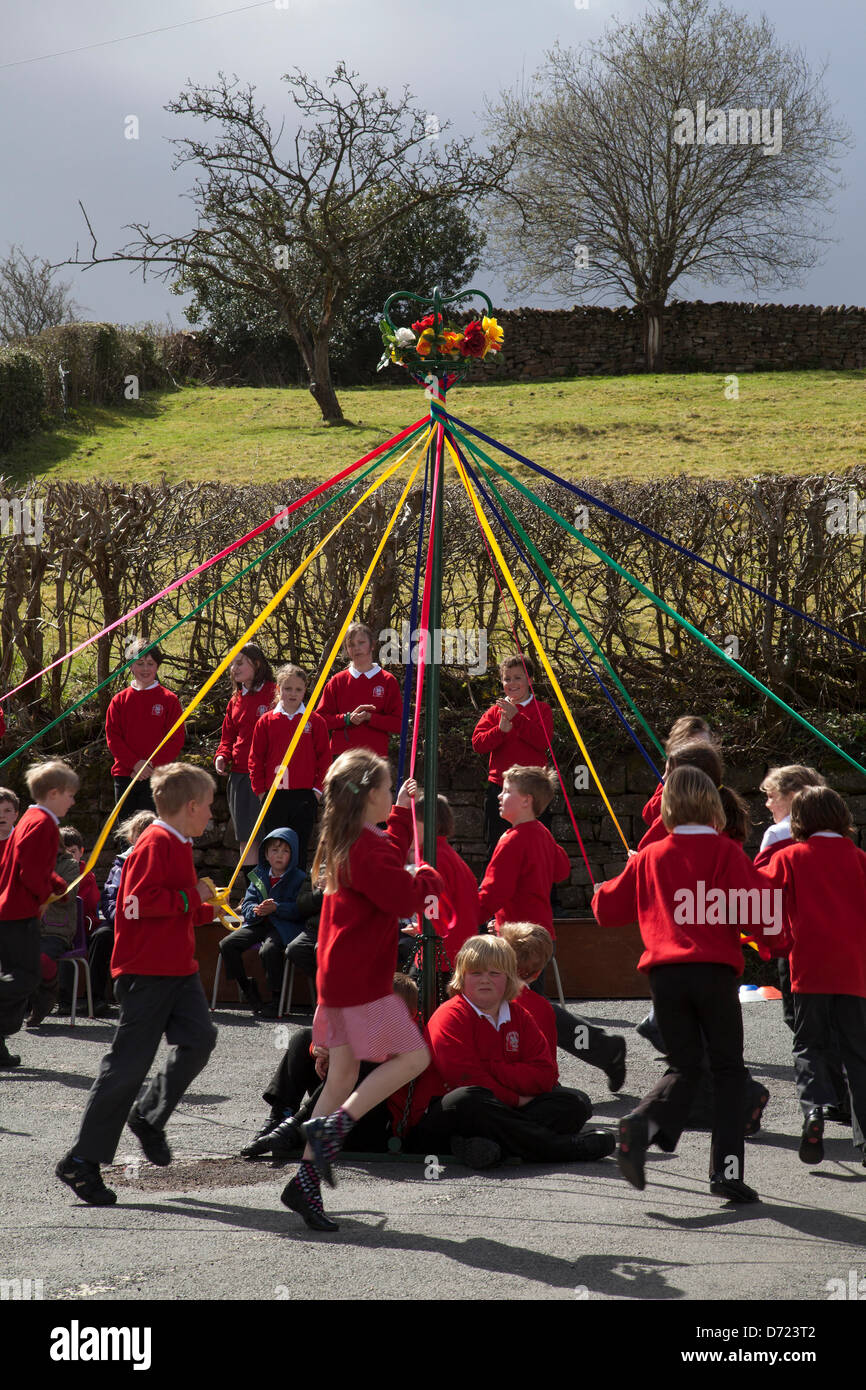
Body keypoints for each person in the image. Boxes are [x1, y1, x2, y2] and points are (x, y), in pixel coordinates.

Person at [592, 766, 785, 1204]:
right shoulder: (726, 852)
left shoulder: (651, 855)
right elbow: (759, 911)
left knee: (684, 1066)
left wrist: (605, 885)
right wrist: (776, 943)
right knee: (729, 1070)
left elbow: (607, 910)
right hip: (714, 972)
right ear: (713, 804)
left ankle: (642, 1122)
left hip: (665, 975)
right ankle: (726, 1172)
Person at [280, 748, 442, 1232]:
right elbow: (400, 894)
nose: (392, 797)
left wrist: (403, 821)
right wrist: (426, 875)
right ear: (369, 794)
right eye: (387, 790)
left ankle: (306, 1181)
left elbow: (386, 854)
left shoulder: (353, 838)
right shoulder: (365, 849)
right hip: (359, 978)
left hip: (341, 975)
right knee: (414, 1058)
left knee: (342, 1076)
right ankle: (333, 1131)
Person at [55, 763, 218, 1206]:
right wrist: (193, 898)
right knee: (127, 1066)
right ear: (189, 806)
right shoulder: (157, 841)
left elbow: (169, 905)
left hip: (176, 968)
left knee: (200, 1039)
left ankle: (147, 1116)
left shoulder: (177, 842)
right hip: (146, 971)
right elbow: (134, 904)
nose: (211, 813)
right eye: (206, 805)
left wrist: (207, 909)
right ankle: (83, 1160)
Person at [417, 935, 613, 1168]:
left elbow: (545, 1075)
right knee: (469, 1098)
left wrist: (490, 1066)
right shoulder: (450, 1016)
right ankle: (561, 1148)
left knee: (574, 1103)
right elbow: (464, 1079)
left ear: (509, 978)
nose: (485, 980)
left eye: (494, 973)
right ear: (462, 977)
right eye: (476, 973)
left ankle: (482, 1147)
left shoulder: (519, 1015)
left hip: (499, 1110)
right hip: (455, 1112)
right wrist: (516, 1099)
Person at [759, 786, 866, 1167]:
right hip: (855, 970)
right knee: (858, 1053)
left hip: (809, 967)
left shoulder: (790, 857)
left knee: (809, 1045)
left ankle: (814, 1111)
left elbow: (757, 891)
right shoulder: (859, 859)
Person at [242, 974, 423, 1161]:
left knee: (359, 1058)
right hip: (336, 1107)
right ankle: (280, 1116)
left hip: (369, 1123)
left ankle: (295, 1125)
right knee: (303, 1037)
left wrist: (337, 1053)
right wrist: (319, 1050)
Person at [0, 761, 79, 1068]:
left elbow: (32, 865)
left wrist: (59, 885)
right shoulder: (43, 823)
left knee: (21, 974)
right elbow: (29, 871)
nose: (72, 801)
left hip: (14, 909)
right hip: (18, 912)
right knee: (24, 976)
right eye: (70, 794)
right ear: (54, 792)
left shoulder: (32, 818)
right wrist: (47, 893)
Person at [500, 921, 627, 1093]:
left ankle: (606, 1048)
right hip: (519, 936)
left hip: (522, 935)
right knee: (536, 1011)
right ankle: (606, 1048)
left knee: (535, 1012)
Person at [754, 765, 831, 1047]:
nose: (768, 803)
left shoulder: (777, 835)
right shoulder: (834, 832)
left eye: (773, 796)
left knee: (796, 1014)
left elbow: (761, 886)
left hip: (793, 934)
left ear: (793, 796)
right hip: (834, 932)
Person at [477, 765, 570, 973]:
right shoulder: (543, 833)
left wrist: (466, 919)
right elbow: (562, 870)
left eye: (507, 791)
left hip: (518, 940)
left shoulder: (512, 840)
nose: (499, 796)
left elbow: (493, 892)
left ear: (527, 801)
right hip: (543, 935)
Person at [471, 655, 554, 861]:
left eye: (518, 678)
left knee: (537, 852)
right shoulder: (494, 712)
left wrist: (517, 718)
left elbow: (543, 741)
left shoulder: (542, 709)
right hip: (500, 790)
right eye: (507, 679)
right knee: (498, 849)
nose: (512, 683)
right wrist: (500, 731)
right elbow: (478, 744)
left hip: (534, 790)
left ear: (530, 680)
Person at [218, 827, 308, 1017]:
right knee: (227, 944)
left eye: (285, 851)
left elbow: (300, 908)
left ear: (293, 854)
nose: (279, 855)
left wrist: (277, 907)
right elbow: (249, 902)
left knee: (269, 950)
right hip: (259, 923)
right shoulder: (259, 876)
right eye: (274, 850)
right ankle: (247, 988)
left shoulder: (299, 878)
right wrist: (255, 910)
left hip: (282, 926)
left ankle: (276, 999)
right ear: (266, 854)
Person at [248, 663, 329, 868]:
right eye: (288, 688)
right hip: (274, 795)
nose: (293, 693)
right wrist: (260, 791)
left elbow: (324, 759)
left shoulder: (315, 721)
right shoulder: (266, 721)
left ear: (305, 691)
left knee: (299, 847)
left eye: (298, 689)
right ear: (278, 689)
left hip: (305, 796)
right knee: (274, 846)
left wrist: (317, 791)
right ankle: (273, 893)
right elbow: (255, 758)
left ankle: (295, 896)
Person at [214, 642, 276, 870]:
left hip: (270, 776)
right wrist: (222, 755)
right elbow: (227, 737)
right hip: (241, 776)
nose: (234, 669)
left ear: (257, 663)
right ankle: (253, 895)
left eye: (240, 663)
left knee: (272, 837)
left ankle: (273, 896)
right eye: (232, 664)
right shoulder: (236, 700)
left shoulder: (276, 693)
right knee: (247, 838)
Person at [88, 811, 156, 1015]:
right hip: (121, 918)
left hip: (148, 921)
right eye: (140, 834)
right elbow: (109, 895)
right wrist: (119, 917)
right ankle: (96, 999)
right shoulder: (121, 862)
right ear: (131, 838)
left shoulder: (159, 860)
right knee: (101, 937)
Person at [105, 646, 185, 815]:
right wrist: (134, 763)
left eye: (150, 663)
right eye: (140, 663)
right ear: (131, 666)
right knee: (126, 833)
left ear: (157, 666)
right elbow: (113, 738)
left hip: (157, 776)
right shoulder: (119, 701)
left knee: (152, 832)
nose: (145, 668)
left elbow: (175, 740)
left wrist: (149, 765)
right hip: (126, 775)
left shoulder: (169, 700)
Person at [318, 622, 402, 763]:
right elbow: (320, 721)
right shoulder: (337, 681)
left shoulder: (387, 680)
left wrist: (370, 717)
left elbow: (399, 724)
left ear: (372, 645)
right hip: (342, 758)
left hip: (375, 758)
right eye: (351, 645)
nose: (356, 648)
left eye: (361, 642)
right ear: (346, 649)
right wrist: (346, 718)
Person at [25, 826, 82, 1027]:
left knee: (42, 959)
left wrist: (43, 877)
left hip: (56, 929)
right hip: (29, 926)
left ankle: (48, 992)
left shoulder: (70, 865)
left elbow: (66, 897)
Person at [640, 716, 718, 830]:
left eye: (705, 747)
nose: (700, 754)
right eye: (692, 747)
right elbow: (650, 815)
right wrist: (667, 777)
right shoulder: (673, 783)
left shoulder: (714, 783)